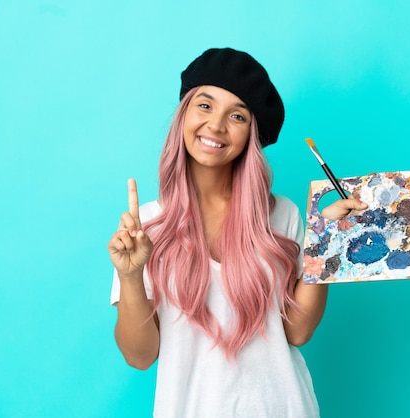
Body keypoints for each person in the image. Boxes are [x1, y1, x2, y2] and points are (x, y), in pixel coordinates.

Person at [108, 47, 367, 417]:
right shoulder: (146, 226)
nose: (216, 125)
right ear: (183, 114)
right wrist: (130, 276)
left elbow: (296, 333)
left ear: (252, 134)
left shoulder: (282, 215)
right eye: (205, 105)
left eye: (237, 115)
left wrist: (327, 241)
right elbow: (139, 355)